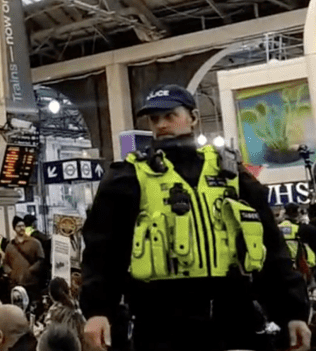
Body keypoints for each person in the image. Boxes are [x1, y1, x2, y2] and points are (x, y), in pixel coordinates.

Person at [80, 85, 312, 351]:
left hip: (234, 320)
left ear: (193, 117)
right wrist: (98, 310)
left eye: (170, 115)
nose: (161, 124)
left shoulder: (232, 176)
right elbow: (103, 252)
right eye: (155, 119)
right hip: (161, 325)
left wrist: (292, 312)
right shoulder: (128, 177)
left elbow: (271, 250)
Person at [2, 218, 44, 304]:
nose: (21, 228)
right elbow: (5, 262)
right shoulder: (10, 246)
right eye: (18, 226)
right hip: (16, 283)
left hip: (31, 282)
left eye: (23, 226)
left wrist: (32, 270)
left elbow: (41, 259)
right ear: (14, 228)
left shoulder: (35, 243)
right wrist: (10, 273)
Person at [279, 203, 316, 281]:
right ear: (296, 213)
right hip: (301, 264)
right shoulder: (301, 228)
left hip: (282, 265)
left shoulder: (278, 228)